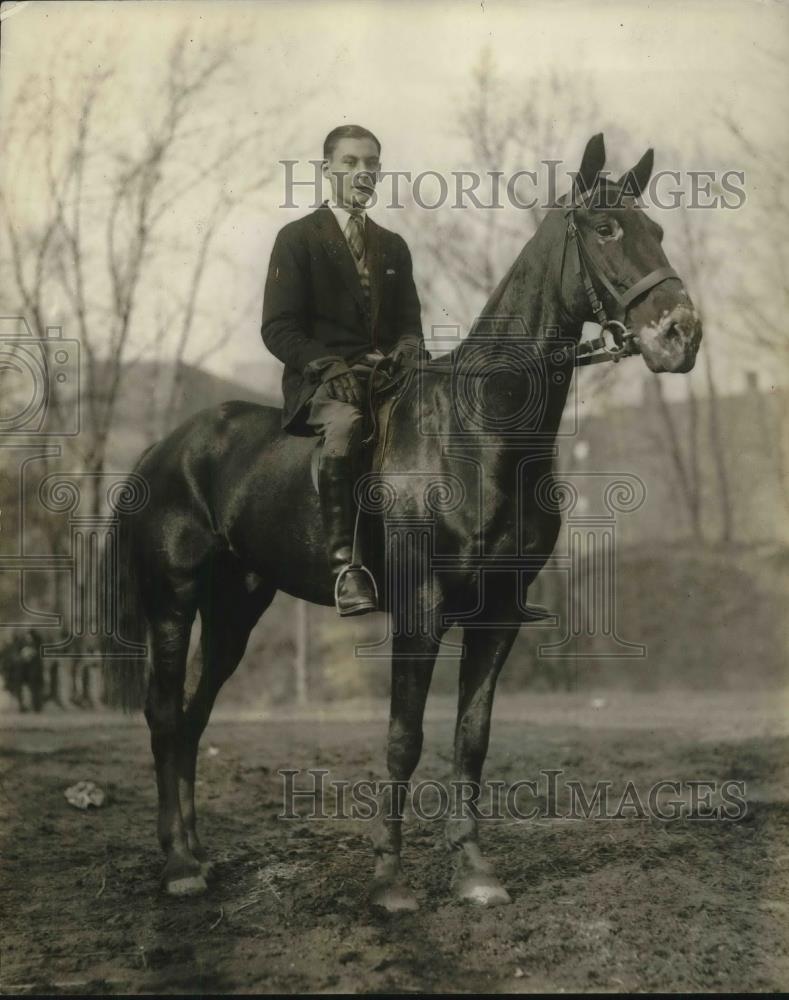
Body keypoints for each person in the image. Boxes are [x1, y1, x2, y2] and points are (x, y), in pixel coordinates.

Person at [262, 124, 426, 616]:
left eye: (371, 164)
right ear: (326, 169)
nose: (363, 173)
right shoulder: (297, 239)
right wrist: (325, 364)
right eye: (351, 163)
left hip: (386, 382)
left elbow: (411, 327)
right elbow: (278, 327)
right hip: (323, 386)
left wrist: (410, 350)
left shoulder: (393, 246)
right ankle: (346, 566)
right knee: (347, 426)